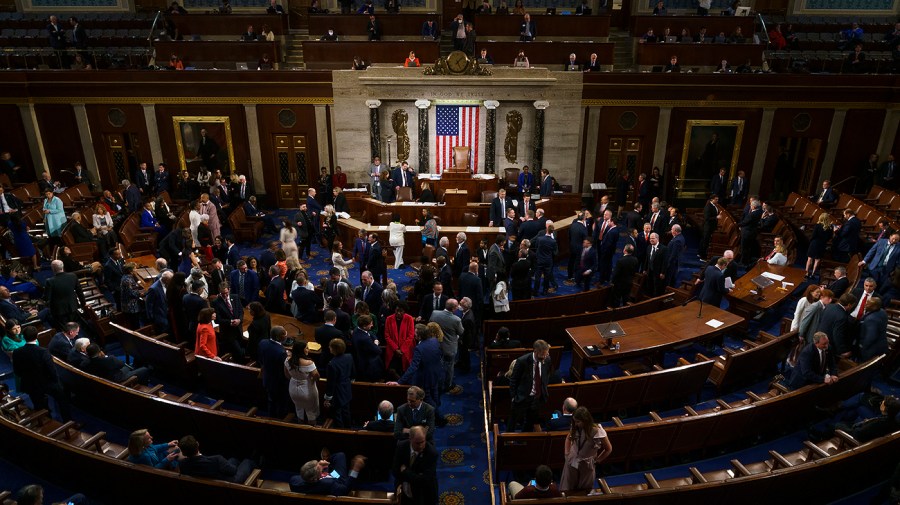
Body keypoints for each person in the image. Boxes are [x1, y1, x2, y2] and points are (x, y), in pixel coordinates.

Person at [13, 326, 71, 420]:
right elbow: (51, 370)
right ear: (37, 336)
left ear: (24, 336)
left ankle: (46, 420)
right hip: (47, 383)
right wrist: (56, 382)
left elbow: (17, 372)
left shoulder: (16, 352)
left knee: (39, 405)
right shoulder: (43, 352)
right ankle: (68, 420)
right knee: (62, 399)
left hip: (30, 384)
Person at [560, 406, 612, 492]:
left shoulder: (598, 431)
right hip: (572, 461)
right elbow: (568, 438)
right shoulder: (575, 427)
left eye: (578, 422)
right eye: (575, 421)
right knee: (568, 488)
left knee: (583, 490)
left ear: (585, 420)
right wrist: (567, 454)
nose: (576, 424)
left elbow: (608, 449)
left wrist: (598, 460)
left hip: (587, 465)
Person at [508, 339, 551, 432]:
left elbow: (546, 374)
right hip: (521, 398)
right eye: (542, 354)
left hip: (537, 398)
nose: (544, 357)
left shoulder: (547, 359)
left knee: (530, 422)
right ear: (535, 351)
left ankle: (523, 441)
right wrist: (513, 397)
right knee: (513, 422)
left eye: (546, 354)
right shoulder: (522, 361)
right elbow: (513, 380)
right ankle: (509, 442)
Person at [177, 435, 256, 483]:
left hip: (213, 481)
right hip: (231, 482)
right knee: (247, 461)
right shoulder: (215, 459)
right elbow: (233, 471)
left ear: (183, 453)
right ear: (197, 444)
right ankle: (258, 461)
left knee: (233, 459)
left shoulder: (182, 464)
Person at [392, 425, 439, 505]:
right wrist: (415, 476)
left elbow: (423, 481)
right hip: (403, 492)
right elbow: (395, 471)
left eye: (422, 442)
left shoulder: (431, 453)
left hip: (423, 495)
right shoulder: (401, 446)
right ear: (410, 439)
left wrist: (405, 471)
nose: (421, 446)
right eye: (417, 443)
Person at [290, 451, 366, 495]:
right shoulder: (329, 483)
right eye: (320, 468)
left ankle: (327, 460)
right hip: (338, 480)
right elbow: (345, 490)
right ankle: (328, 461)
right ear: (317, 478)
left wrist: (322, 468)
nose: (320, 464)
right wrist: (355, 469)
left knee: (338, 457)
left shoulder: (294, 481)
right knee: (340, 455)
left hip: (325, 477)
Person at [285, 340, 320, 425]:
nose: (308, 349)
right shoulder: (309, 363)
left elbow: (287, 375)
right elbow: (317, 377)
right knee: (311, 410)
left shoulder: (287, 360)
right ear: (302, 350)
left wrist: (296, 378)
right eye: (306, 348)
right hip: (307, 389)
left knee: (298, 408)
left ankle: (300, 428)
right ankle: (312, 430)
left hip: (293, 388)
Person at [324, 338, 355, 428]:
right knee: (346, 411)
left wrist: (327, 398)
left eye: (330, 347)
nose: (329, 348)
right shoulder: (349, 356)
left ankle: (340, 432)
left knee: (337, 414)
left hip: (337, 392)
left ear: (334, 349)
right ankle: (348, 429)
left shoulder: (332, 364)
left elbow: (331, 383)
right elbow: (353, 373)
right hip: (347, 388)